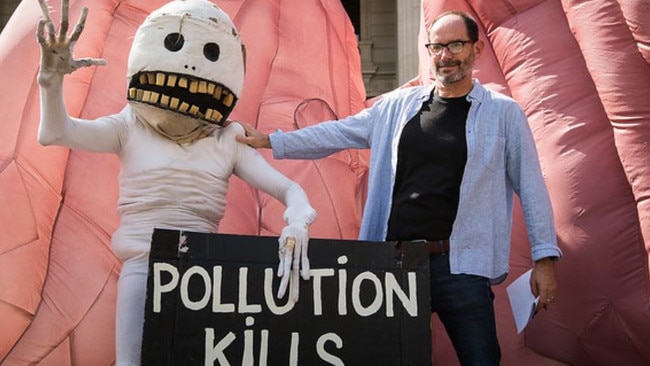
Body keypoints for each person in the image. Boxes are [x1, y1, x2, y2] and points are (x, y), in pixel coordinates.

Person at [235, 10, 562, 365]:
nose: (445, 56)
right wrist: (271, 140)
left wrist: (544, 260)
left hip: (462, 266)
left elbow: (531, 187)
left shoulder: (503, 113)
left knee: (481, 360)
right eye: (437, 47)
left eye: (455, 45)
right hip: (395, 264)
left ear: (476, 49)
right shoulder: (396, 107)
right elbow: (336, 133)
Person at [36, 0, 315, 365]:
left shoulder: (227, 139)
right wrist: (50, 80)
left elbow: (290, 189)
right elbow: (56, 132)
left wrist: (298, 220)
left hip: (202, 274)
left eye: (211, 52)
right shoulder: (129, 126)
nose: (190, 65)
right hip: (143, 266)